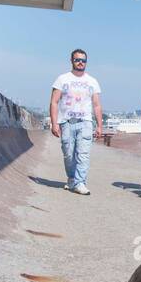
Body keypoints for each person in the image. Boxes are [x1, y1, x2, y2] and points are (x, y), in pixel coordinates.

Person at [49, 49, 103, 194]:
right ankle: (72, 178)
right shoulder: (62, 79)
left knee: (83, 154)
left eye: (83, 60)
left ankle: (80, 183)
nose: (80, 62)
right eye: (77, 60)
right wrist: (54, 123)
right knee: (68, 153)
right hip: (66, 122)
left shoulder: (92, 81)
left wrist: (99, 125)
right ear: (71, 61)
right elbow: (54, 102)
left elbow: (97, 105)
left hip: (85, 121)